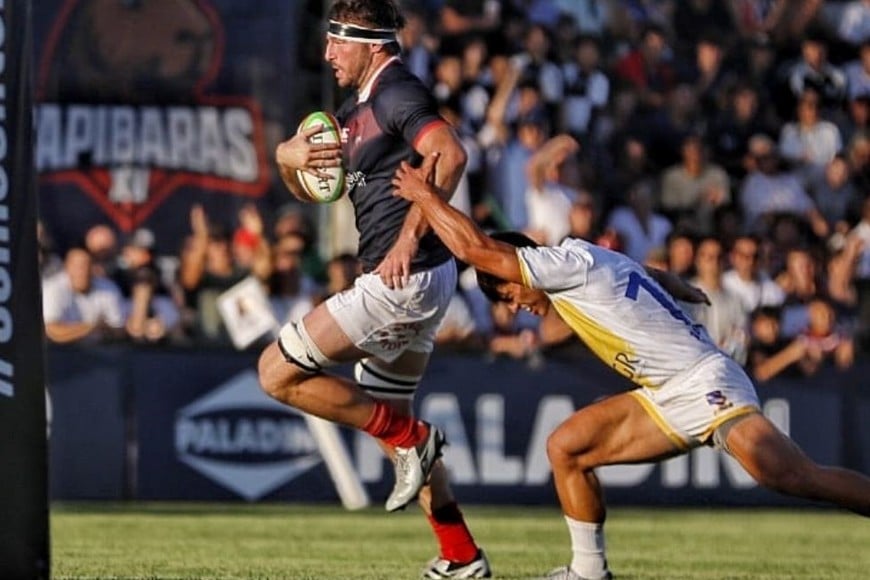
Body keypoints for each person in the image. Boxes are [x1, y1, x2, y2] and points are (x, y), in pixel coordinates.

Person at [392, 152, 870, 580]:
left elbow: (476, 249)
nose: (515, 305)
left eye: (510, 292)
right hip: (668, 391)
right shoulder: (587, 255)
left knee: (790, 475)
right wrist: (677, 287)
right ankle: (588, 571)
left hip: (703, 381)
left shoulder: (557, 265)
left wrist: (425, 197)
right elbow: (644, 272)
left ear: (524, 264)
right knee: (567, 447)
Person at [258, 1, 490, 577]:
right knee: (391, 423)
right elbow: (314, 188)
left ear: (371, 44)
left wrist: (409, 236)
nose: (328, 54)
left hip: (401, 277)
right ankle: (461, 557)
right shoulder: (354, 110)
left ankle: (413, 437)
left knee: (276, 373)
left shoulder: (395, 93)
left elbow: (450, 153)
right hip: (418, 278)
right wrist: (286, 156)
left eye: (338, 42)